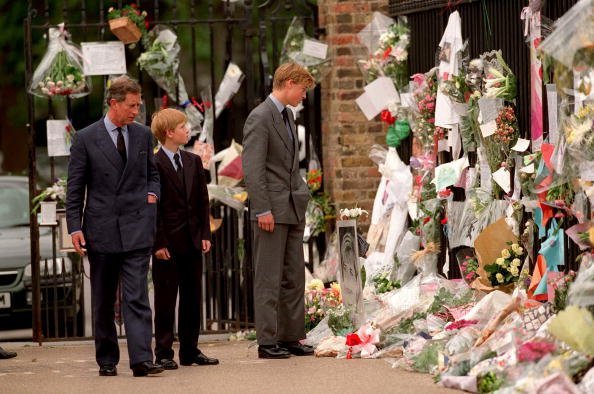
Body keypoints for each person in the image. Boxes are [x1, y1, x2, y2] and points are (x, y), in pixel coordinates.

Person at [66, 76, 163, 377]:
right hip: (102, 229)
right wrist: (74, 227)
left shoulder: (143, 135)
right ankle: (107, 359)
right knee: (104, 300)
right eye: (132, 106)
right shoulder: (85, 138)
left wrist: (152, 196)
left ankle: (141, 360)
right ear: (114, 103)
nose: (136, 111)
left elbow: (153, 175)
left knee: (136, 296)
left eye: (139, 105)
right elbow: (75, 187)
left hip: (136, 227)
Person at [242, 62, 315, 359]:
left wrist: (301, 192)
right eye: (302, 89)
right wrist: (262, 210)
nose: (304, 96)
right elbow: (253, 168)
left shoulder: (286, 115)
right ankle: (267, 341)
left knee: (294, 275)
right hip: (271, 209)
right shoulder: (260, 117)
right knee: (269, 277)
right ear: (288, 84)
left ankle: (290, 337)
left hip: (292, 206)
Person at [149, 108, 218, 369]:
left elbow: (202, 201)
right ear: (168, 133)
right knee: (165, 300)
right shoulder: (154, 163)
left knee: (192, 298)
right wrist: (158, 243)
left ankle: (190, 350)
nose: (187, 130)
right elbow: (153, 209)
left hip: (192, 241)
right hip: (167, 244)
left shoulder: (192, 161)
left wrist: (204, 234)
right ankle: (164, 353)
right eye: (182, 127)